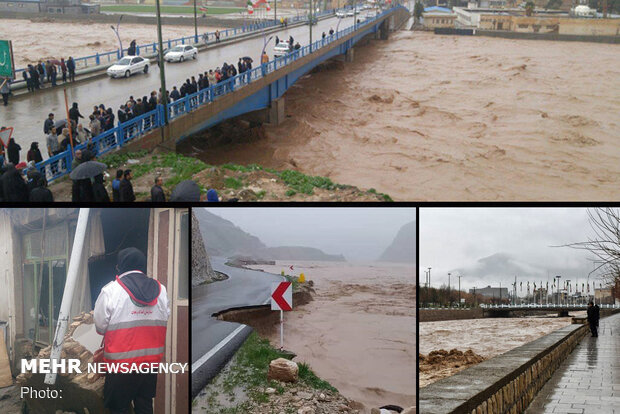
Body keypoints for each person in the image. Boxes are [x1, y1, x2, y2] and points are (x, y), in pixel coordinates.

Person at [94, 247, 169, 414]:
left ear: (119, 268)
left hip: (121, 367)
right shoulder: (161, 290)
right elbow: (165, 317)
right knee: (144, 405)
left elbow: (100, 327)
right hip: (149, 365)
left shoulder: (111, 291)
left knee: (119, 408)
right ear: (143, 266)